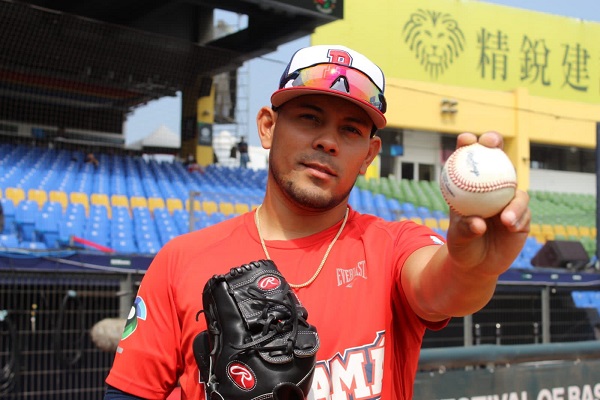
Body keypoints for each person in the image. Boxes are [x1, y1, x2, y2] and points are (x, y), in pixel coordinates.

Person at [104, 44, 530, 399]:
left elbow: (444, 286)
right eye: (310, 117)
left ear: (369, 155)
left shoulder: (393, 246)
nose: (327, 141)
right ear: (268, 127)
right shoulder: (181, 260)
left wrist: (475, 265)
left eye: (350, 130)